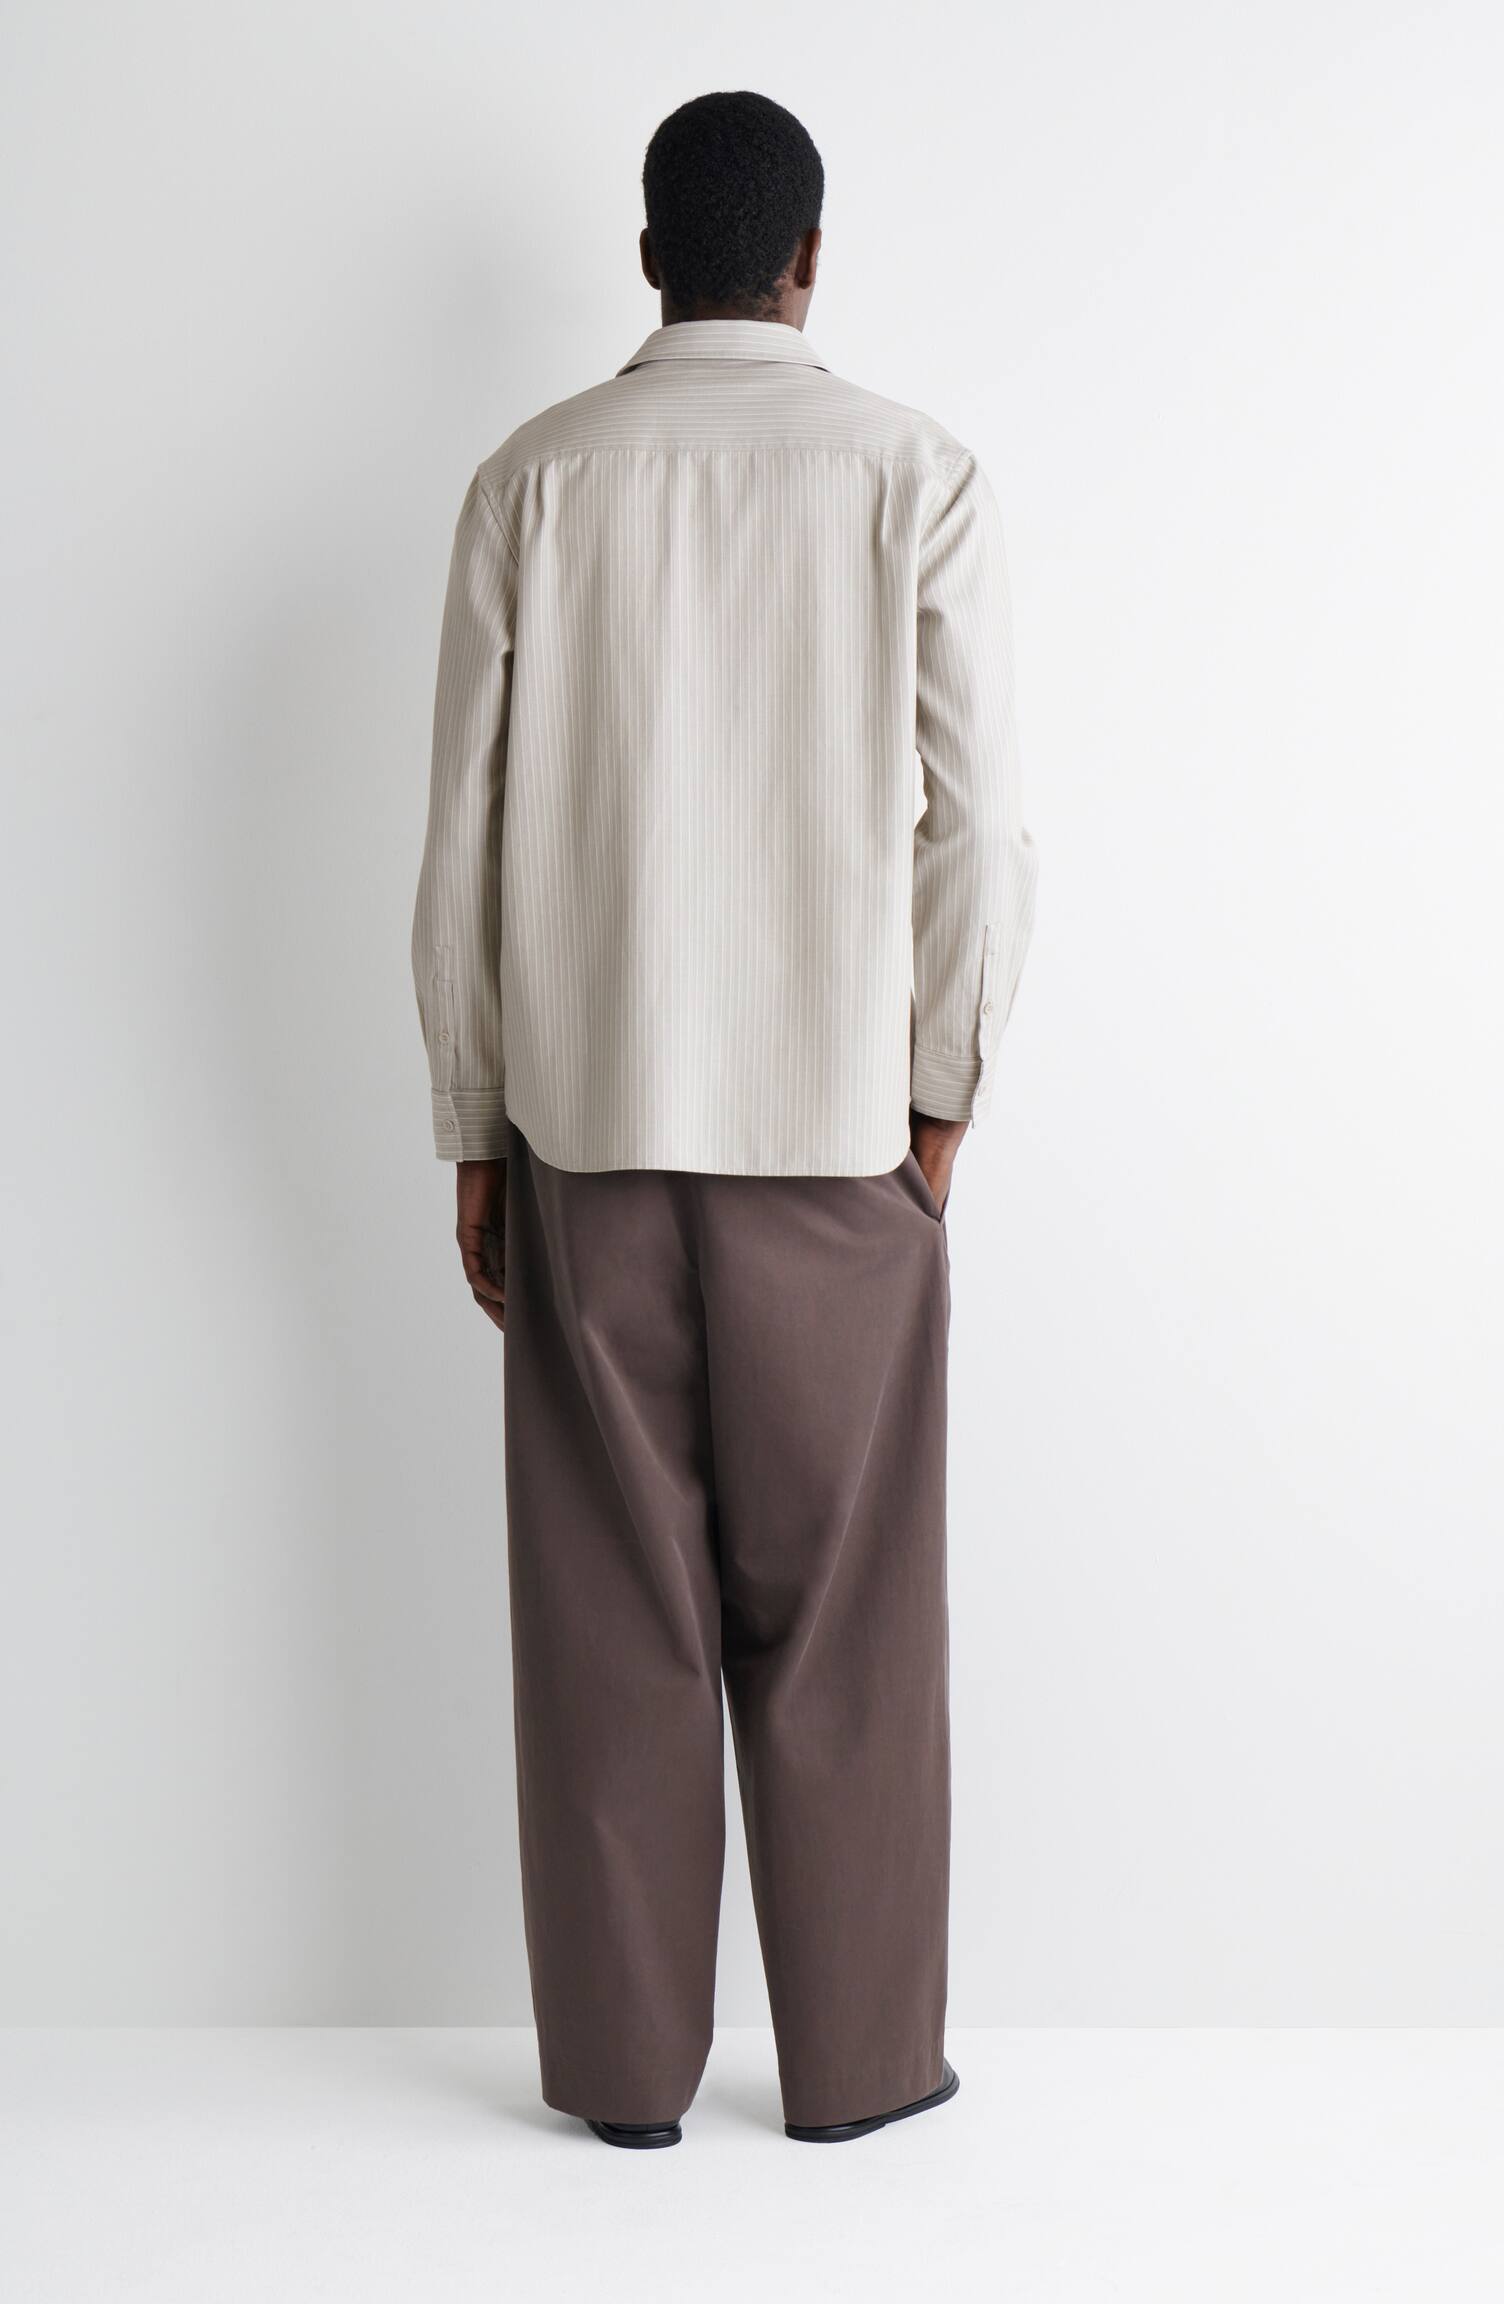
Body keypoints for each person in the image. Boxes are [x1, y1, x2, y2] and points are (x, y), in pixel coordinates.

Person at [411, 88, 1037, 2150]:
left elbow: (462, 841)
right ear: (809, 259)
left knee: (610, 1625)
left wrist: (479, 1122)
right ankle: (860, 2072)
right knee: (847, 1628)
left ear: (648, 256)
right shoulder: (916, 476)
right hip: (837, 1143)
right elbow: (978, 835)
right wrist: (937, 1099)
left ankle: (621, 2084)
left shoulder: (531, 481)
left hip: (588, 1135)